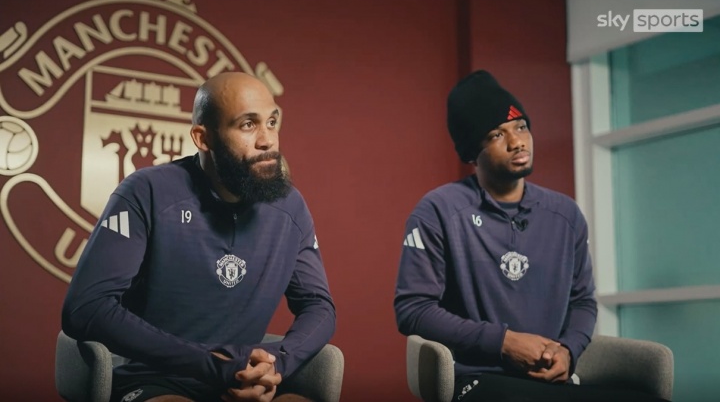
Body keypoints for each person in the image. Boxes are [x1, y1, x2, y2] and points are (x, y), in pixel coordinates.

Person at [393, 70, 670, 402]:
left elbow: (582, 301)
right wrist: (504, 342)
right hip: (477, 379)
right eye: (497, 134)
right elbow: (413, 310)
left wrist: (569, 350)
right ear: (471, 152)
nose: (517, 142)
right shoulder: (439, 210)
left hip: (550, 381)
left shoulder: (565, 214)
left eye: (521, 127)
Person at [62, 72, 336, 402]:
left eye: (272, 122)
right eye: (248, 124)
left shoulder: (290, 206)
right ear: (203, 138)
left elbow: (319, 306)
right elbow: (86, 308)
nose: (267, 140)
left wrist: (276, 363)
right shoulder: (147, 191)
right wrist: (210, 364)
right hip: (156, 379)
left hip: (243, 381)